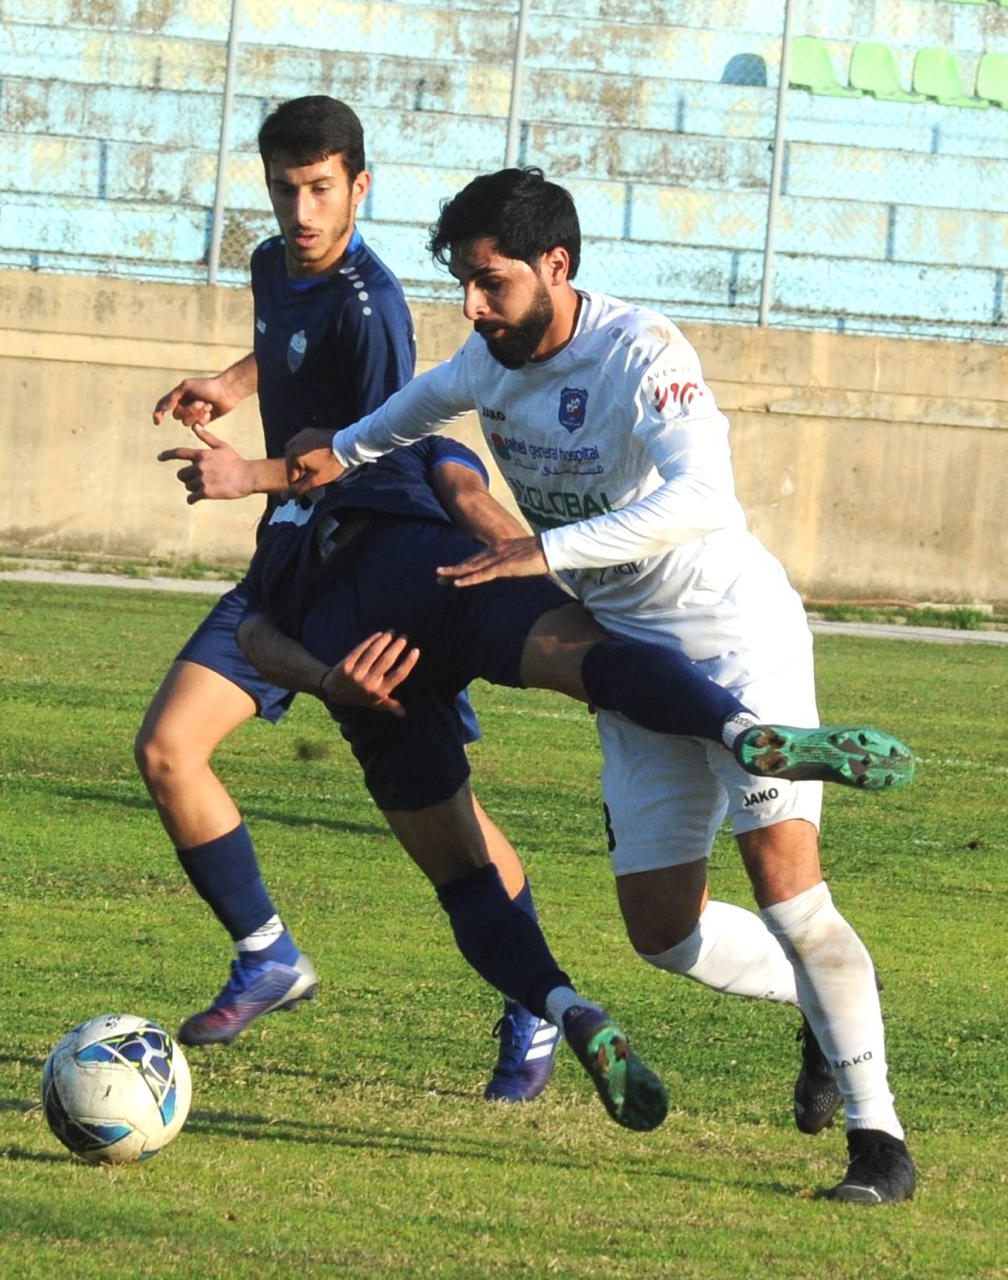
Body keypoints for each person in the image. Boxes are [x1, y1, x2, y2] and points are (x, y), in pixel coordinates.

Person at [278, 167, 918, 1203]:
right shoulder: (486, 364)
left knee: (789, 892)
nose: (473, 307)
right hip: (628, 661)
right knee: (662, 932)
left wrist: (543, 551)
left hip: (734, 637)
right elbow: (394, 422)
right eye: (462, 283)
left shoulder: (642, 351)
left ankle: (877, 1140)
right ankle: (818, 1001)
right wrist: (308, 460)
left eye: (491, 283)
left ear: (556, 265)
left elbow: (703, 499)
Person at [168, 420, 901, 1135]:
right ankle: (739, 737)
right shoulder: (299, 520)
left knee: (472, 864)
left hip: (415, 609)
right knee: (580, 679)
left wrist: (526, 575)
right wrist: (331, 676)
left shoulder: (375, 456)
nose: (299, 447)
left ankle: (562, 1004)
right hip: (396, 632)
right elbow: (258, 631)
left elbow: (460, 502)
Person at [139, 95, 562, 1104]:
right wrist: (233, 383)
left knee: (450, 821)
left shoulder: (374, 306)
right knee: (167, 748)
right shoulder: (270, 265)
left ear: (358, 186)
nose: (302, 211)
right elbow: (290, 344)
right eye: (284, 189)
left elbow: (373, 451)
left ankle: (535, 999)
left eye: (321, 188)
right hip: (286, 564)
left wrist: (250, 476)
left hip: (369, 570)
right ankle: (267, 953)